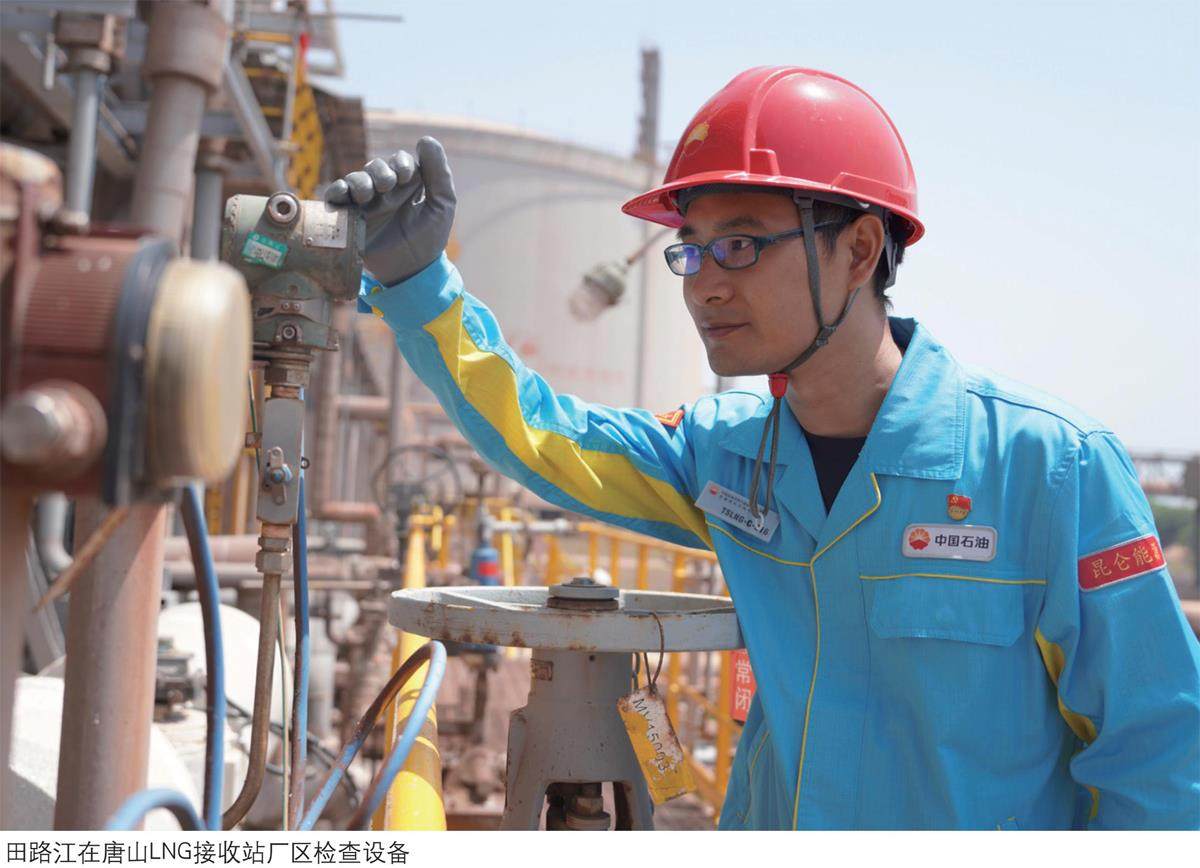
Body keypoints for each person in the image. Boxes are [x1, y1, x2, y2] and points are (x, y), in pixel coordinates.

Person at [326, 66, 1200, 829]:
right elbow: (548, 437)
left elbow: (1161, 755)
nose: (704, 285)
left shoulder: (1050, 470)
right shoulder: (727, 460)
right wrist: (420, 286)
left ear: (860, 248)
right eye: (692, 251)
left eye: (741, 245)